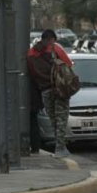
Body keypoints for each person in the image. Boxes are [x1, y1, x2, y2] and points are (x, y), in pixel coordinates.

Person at [27, 29, 73, 157]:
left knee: (53, 118)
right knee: (61, 118)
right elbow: (68, 65)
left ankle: (60, 147)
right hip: (59, 89)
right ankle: (60, 148)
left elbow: (31, 72)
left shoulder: (31, 53)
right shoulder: (55, 49)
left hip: (44, 90)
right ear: (51, 39)